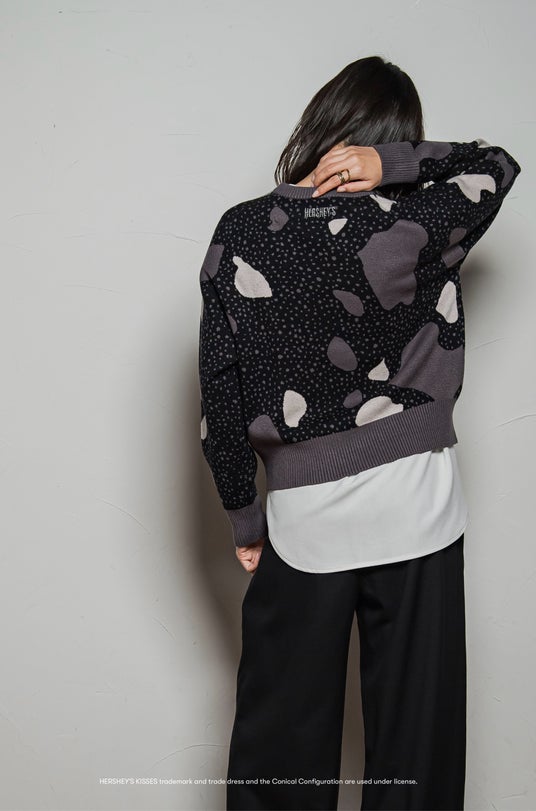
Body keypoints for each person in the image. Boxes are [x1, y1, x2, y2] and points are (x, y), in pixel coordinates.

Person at [197, 54, 521, 811]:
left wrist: (244, 514)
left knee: (280, 759)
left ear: (322, 123)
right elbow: (497, 166)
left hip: (304, 520)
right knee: (417, 756)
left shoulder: (242, 231)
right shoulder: (419, 222)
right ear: (393, 138)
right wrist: (398, 165)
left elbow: (219, 389)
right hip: (420, 508)